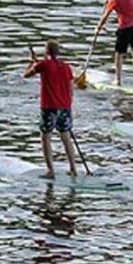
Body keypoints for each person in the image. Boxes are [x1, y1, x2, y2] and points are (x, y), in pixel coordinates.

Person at [24, 40, 78, 179]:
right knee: (66, 137)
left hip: (49, 107)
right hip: (65, 107)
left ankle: (50, 170)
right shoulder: (66, 67)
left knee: (45, 137)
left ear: (46, 52)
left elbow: (26, 74)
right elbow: (71, 88)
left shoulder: (44, 65)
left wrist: (31, 62)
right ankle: (73, 168)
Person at [94, 0, 133, 86]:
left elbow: (105, 16)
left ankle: (118, 79)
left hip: (124, 28)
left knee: (119, 54)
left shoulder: (113, 0)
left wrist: (98, 28)